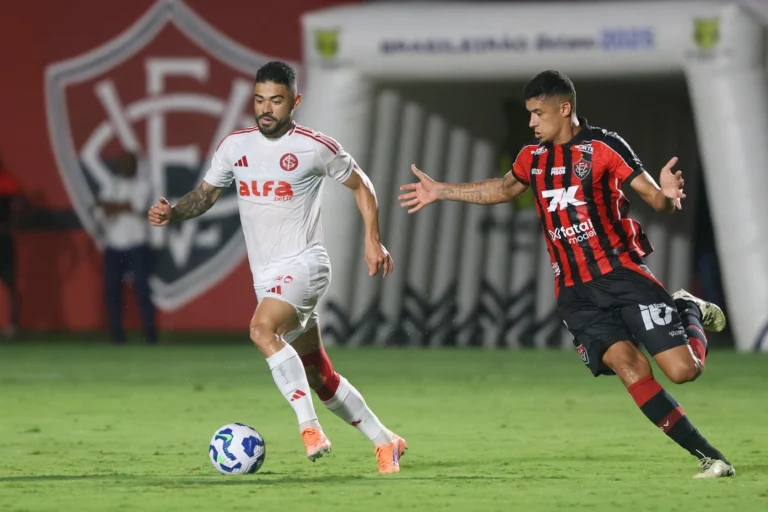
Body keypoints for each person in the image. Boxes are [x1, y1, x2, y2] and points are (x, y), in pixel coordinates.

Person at [399, 70, 734, 479]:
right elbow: (502, 189)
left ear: (565, 108)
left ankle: (687, 308)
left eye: (538, 113)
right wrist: (442, 190)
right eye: (529, 114)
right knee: (631, 369)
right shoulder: (532, 159)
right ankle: (711, 457)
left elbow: (656, 202)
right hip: (575, 293)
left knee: (684, 372)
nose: (531, 122)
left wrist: (666, 195)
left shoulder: (605, 147)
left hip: (623, 276)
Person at [148, 61, 407, 473]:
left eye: (276, 100)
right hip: (268, 276)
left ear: (295, 102)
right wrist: (173, 212)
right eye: (259, 100)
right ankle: (386, 440)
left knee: (260, 330)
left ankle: (310, 429)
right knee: (320, 376)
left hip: (306, 263)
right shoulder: (235, 146)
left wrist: (372, 239)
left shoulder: (313, 145)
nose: (266, 109)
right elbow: (205, 195)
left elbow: (362, 184)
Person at [95, 151, 157, 344]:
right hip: (114, 245)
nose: (127, 167)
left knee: (142, 289)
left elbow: (136, 206)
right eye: (123, 163)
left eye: (131, 163)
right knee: (112, 290)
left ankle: (150, 332)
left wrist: (110, 206)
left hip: (137, 243)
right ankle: (116, 334)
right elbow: (98, 210)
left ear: (136, 166)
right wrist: (116, 206)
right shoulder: (110, 185)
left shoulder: (143, 185)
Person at [0, 153, 22, 338]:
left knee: (10, 282)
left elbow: (18, 204)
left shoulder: (8, 181)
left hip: (3, 240)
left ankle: (13, 324)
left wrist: (11, 227)